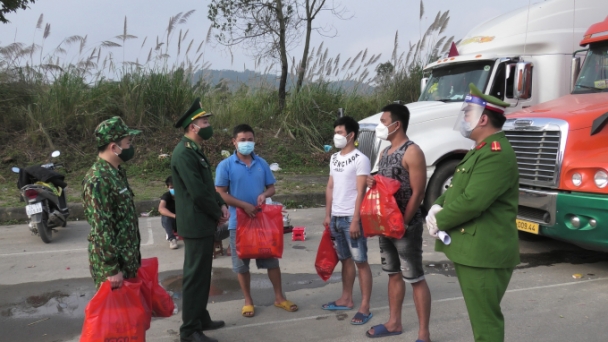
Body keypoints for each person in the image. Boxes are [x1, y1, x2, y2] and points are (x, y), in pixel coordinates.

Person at [426, 83, 520, 342]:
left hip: (485, 253)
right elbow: (459, 187)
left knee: (485, 323)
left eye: (468, 113)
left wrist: (439, 219)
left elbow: (473, 201)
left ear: (484, 118)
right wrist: (439, 204)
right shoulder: (481, 149)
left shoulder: (495, 154)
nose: (464, 119)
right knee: (481, 318)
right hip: (476, 251)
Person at [215, 124, 298, 319]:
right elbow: (220, 193)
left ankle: (279, 297)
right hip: (238, 223)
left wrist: (263, 194)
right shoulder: (225, 165)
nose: (246, 143)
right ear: (234, 142)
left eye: (250, 139)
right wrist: (243, 205)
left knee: (271, 261)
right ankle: (248, 301)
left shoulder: (261, 163)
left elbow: (272, 188)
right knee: (241, 266)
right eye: (242, 140)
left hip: (262, 223)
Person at [365, 104, 432, 342]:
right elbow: (385, 186)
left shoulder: (412, 151)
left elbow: (418, 192)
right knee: (393, 274)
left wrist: (402, 223)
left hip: (405, 226)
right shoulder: (384, 153)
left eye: (383, 121)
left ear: (397, 124)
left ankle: (424, 334)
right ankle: (394, 323)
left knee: (414, 277)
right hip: (386, 226)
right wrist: (373, 182)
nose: (380, 126)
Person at [171, 99, 230, 342]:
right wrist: (216, 213)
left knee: (203, 274)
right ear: (192, 127)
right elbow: (197, 192)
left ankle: (200, 317)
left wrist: (221, 204)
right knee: (195, 276)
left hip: (202, 221)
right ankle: (189, 331)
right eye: (204, 122)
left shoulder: (195, 150)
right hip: (196, 223)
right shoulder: (184, 154)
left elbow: (207, 188)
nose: (208, 125)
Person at [321, 116, 373, 325]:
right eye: (336, 132)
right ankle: (346, 298)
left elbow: (361, 191)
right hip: (335, 217)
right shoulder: (334, 158)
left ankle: (365, 306)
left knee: (361, 262)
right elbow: (330, 186)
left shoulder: (361, 159)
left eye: (340, 132)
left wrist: (355, 220)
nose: (337, 136)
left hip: (352, 218)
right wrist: (327, 214)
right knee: (345, 260)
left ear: (351, 135)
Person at [82, 116, 142, 290]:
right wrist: (111, 268)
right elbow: (101, 227)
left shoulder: (116, 173)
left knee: (130, 315)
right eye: (128, 142)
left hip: (126, 260)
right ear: (114, 147)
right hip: (114, 270)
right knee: (115, 317)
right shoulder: (98, 180)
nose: (130, 147)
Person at [158, 176, 178, 250]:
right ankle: (172, 239)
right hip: (172, 220)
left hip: (184, 220)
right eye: (171, 187)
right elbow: (161, 209)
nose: (174, 189)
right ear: (168, 187)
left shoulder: (184, 195)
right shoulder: (166, 196)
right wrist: (175, 216)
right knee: (165, 217)